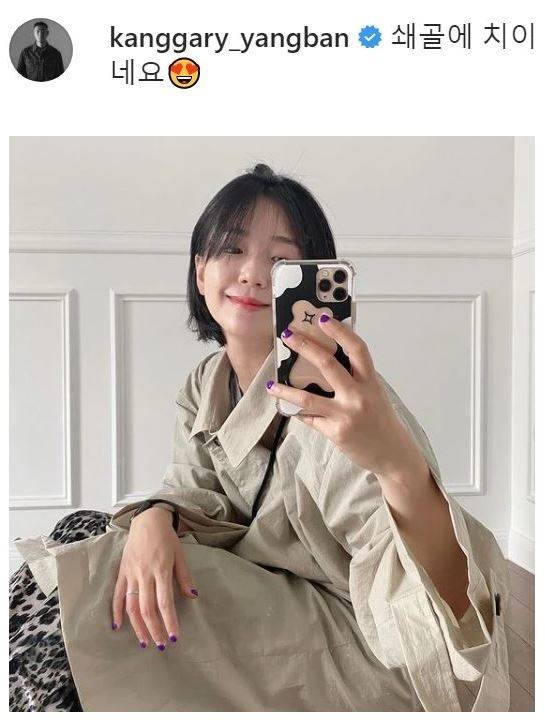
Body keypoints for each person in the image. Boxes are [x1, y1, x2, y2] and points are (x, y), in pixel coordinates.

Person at [9, 163, 510, 711]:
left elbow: (421, 595)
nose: (252, 274)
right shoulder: (205, 382)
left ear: (314, 279)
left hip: (356, 638)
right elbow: (195, 491)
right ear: (200, 270)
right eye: (231, 249)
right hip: (267, 593)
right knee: (83, 533)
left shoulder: (335, 399)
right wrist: (156, 515)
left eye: (280, 261)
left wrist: (398, 467)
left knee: (86, 596)